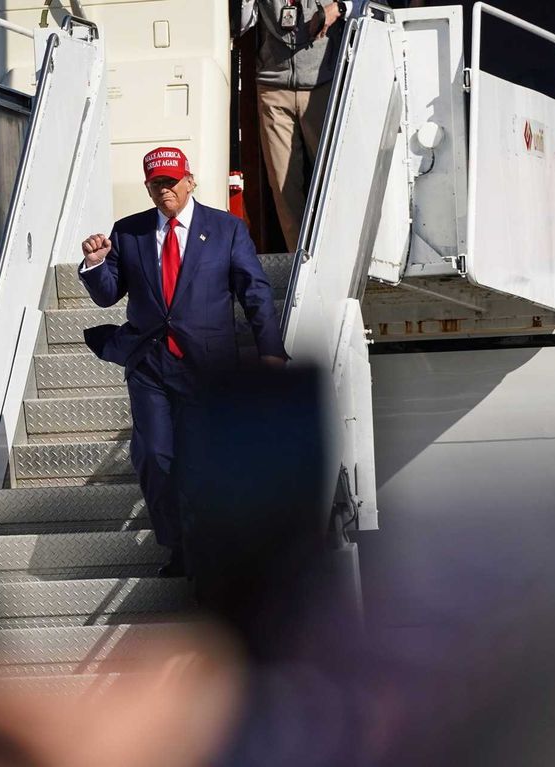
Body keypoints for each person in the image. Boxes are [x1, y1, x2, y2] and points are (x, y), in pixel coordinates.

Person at [78, 147, 287, 577]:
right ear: (148, 188)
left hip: (207, 366)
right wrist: (96, 265)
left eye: (172, 181)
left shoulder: (226, 229)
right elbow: (107, 295)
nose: (165, 189)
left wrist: (269, 349)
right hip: (150, 364)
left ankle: (205, 546)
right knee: (154, 456)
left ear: (190, 181)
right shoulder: (128, 232)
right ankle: (178, 545)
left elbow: (254, 291)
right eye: (157, 183)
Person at [239, 0, 354, 252]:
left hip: (323, 85)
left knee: (333, 178)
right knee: (283, 186)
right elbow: (240, 25)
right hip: (273, 88)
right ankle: (299, 259)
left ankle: (340, 254)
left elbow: (373, 6)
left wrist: (339, 8)